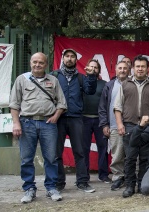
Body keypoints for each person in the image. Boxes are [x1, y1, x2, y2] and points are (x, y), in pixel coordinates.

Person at [9, 52, 67, 203]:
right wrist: (16, 123)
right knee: (26, 159)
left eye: (41, 62)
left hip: (48, 124)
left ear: (46, 65)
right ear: (30, 63)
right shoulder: (22, 79)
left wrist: (55, 116)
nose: (37, 65)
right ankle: (29, 189)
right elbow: (14, 104)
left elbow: (62, 103)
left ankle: (51, 188)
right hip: (26, 123)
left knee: (51, 158)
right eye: (35, 62)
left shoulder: (53, 80)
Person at [114, 55, 149, 198]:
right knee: (130, 158)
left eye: (143, 66)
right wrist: (119, 124)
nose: (140, 69)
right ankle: (130, 185)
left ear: (147, 68)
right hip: (130, 126)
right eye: (137, 66)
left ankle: (142, 184)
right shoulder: (125, 84)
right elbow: (117, 107)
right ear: (133, 68)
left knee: (145, 158)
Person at [53, 48, 97, 193]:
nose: (70, 59)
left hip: (76, 118)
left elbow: (90, 91)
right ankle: (59, 183)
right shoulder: (54, 76)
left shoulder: (81, 77)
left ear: (76, 60)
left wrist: (91, 76)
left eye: (72, 56)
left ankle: (82, 182)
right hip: (58, 119)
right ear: (63, 59)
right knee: (57, 153)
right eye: (67, 56)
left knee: (79, 151)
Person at [98, 61, 130, 190]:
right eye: (120, 68)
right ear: (116, 70)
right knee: (117, 154)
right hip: (113, 125)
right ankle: (118, 177)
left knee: (131, 153)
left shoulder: (133, 84)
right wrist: (104, 124)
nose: (122, 70)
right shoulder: (109, 85)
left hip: (131, 125)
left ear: (129, 70)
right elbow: (102, 106)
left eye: (125, 68)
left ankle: (130, 177)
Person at [81, 59, 110, 184]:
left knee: (103, 148)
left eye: (96, 67)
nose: (93, 69)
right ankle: (84, 176)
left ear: (99, 70)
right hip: (83, 119)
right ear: (86, 68)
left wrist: (106, 122)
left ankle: (103, 175)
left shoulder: (104, 84)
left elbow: (108, 103)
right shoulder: (81, 81)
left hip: (100, 120)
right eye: (91, 67)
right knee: (84, 149)